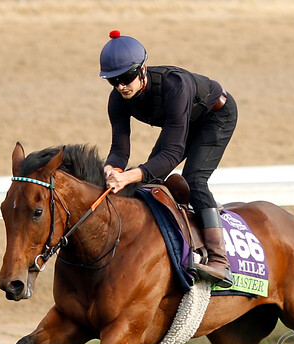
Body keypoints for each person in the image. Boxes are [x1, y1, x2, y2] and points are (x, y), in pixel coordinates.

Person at [99, 30, 235, 288]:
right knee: (151, 182)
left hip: (214, 117)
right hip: (182, 122)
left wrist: (128, 176)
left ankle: (220, 262)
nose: (121, 86)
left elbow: (172, 153)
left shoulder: (174, 85)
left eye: (126, 78)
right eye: (113, 81)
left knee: (194, 180)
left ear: (142, 69)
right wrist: (111, 170)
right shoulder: (117, 99)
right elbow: (119, 150)